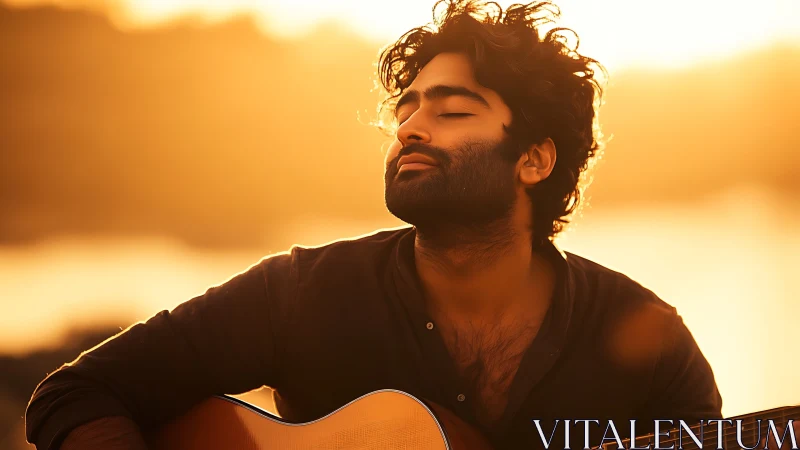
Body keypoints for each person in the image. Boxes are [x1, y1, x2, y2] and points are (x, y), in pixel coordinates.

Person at [25, 1, 725, 449]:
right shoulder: (301, 292)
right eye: (408, 110)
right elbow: (75, 393)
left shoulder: (648, 343)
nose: (413, 127)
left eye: (452, 111)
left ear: (535, 160)